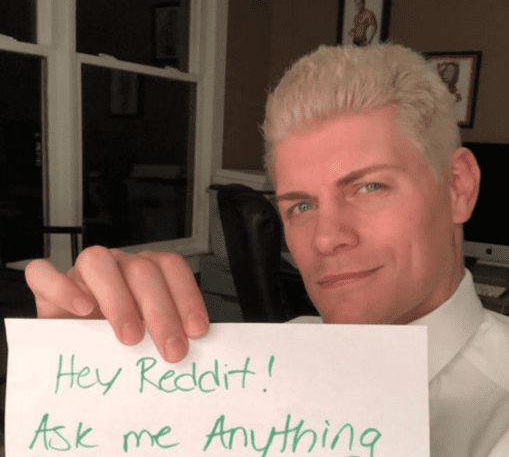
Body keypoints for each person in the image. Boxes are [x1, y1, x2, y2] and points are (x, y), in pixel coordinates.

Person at [25, 43, 509, 456]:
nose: (325, 238)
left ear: (458, 187)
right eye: (302, 206)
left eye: (369, 187)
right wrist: (90, 388)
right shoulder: (263, 364)